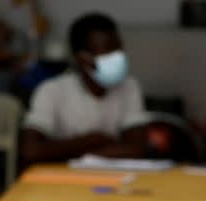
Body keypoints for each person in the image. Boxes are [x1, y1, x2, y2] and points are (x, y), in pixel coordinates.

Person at [20, 12, 147, 165]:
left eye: (118, 50)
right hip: (61, 180)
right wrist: (92, 140)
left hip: (116, 179)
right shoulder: (51, 91)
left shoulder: (129, 86)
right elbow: (30, 151)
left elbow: (136, 150)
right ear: (81, 58)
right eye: (107, 53)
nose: (116, 58)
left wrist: (66, 152)